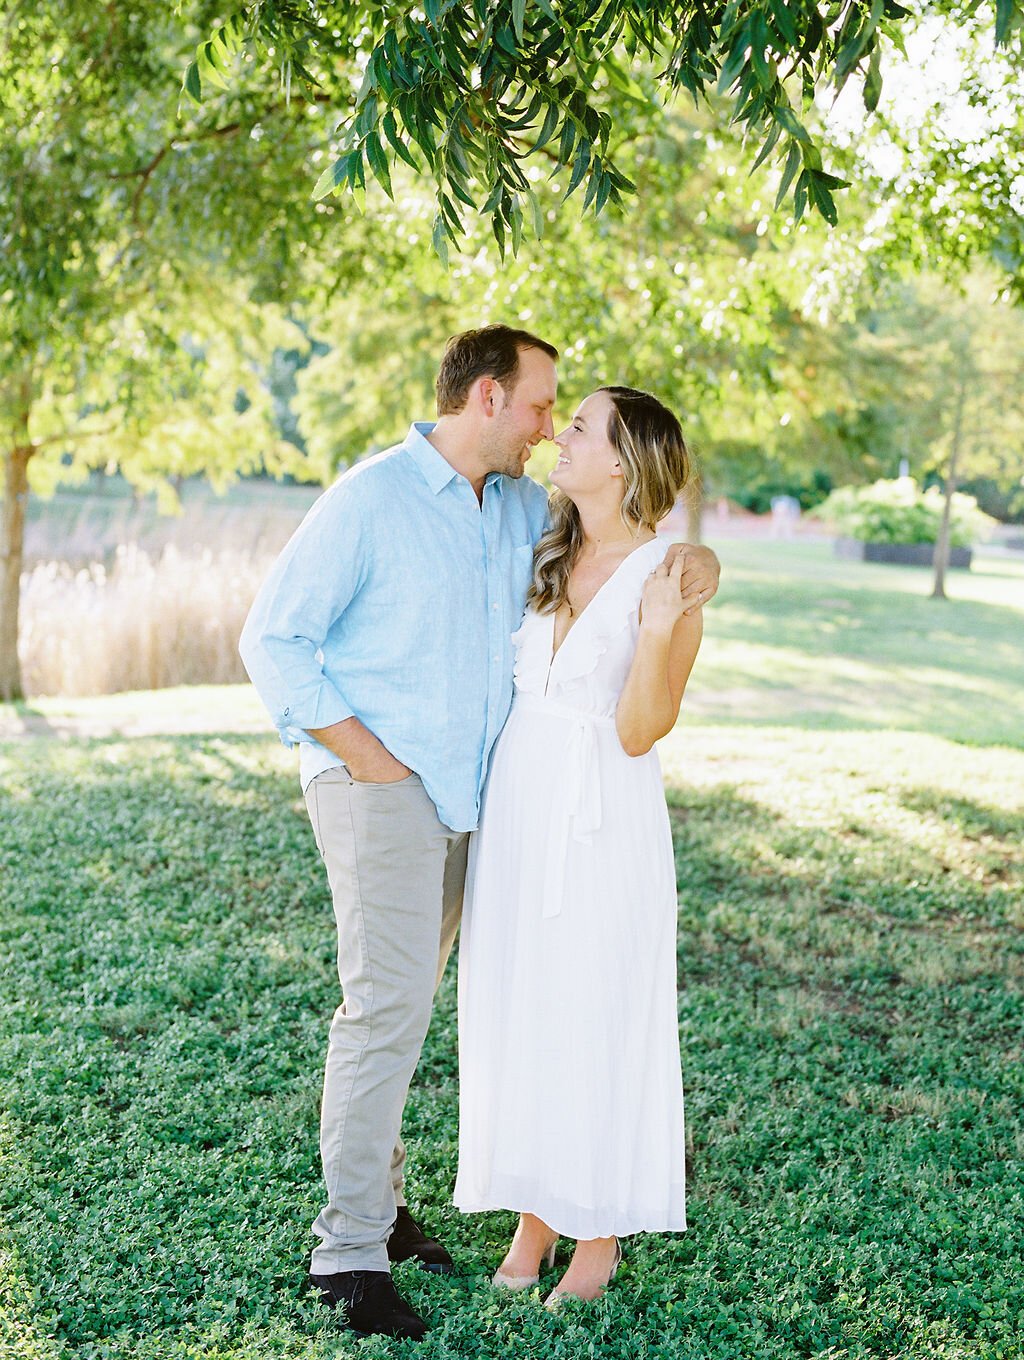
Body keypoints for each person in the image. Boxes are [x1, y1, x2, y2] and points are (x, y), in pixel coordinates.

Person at [239, 327, 720, 1341]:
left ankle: (394, 1204)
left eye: (571, 421)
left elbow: (639, 575)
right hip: (388, 788)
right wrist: (364, 757)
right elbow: (272, 638)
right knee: (385, 1009)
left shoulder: (517, 516)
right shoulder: (371, 498)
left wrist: (692, 572)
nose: (551, 432)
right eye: (548, 408)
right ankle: (349, 1248)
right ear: (491, 399)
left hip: (495, 804)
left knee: (450, 1006)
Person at [455, 385, 701, 1306]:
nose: (561, 435)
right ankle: (534, 1215)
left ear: (625, 464)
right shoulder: (545, 546)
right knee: (522, 1007)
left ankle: (595, 1239)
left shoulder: (667, 581)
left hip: (603, 819)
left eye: (584, 428)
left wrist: (657, 630)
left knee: (595, 1011)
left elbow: (641, 731)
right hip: (519, 808)